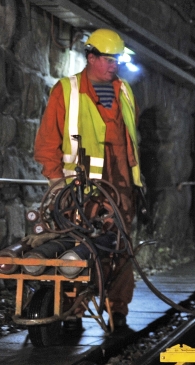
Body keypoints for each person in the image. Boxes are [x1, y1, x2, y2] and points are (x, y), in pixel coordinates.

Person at [33, 28, 142, 330]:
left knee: (119, 247)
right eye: (107, 59)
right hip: (79, 191)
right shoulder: (66, 91)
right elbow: (46, 144)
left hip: (119, 189)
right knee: (77, 249)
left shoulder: (124, 92)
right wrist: (56, 182)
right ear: (90, 57)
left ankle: (117, 311)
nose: (113, 65)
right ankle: (73, 311)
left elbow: (130, 142)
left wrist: (135, 185)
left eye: (117, 59)